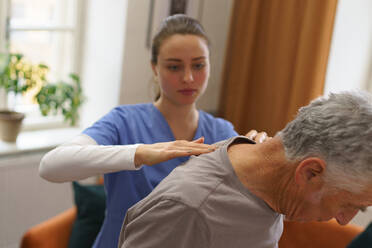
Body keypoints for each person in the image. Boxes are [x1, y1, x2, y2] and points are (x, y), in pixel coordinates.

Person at [39, 14, 267, 248]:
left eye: (198, 65)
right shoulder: (123, 121)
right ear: (154, 68)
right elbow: (51, 166)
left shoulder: (222, 131)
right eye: (174, 67)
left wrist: (262, 157)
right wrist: (139, 153)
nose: (188, 77)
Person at [118, 91, 372, 248]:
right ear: (310, 173)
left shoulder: (271, 178)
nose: (344, 220)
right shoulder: (189, 211)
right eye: (352, 204)